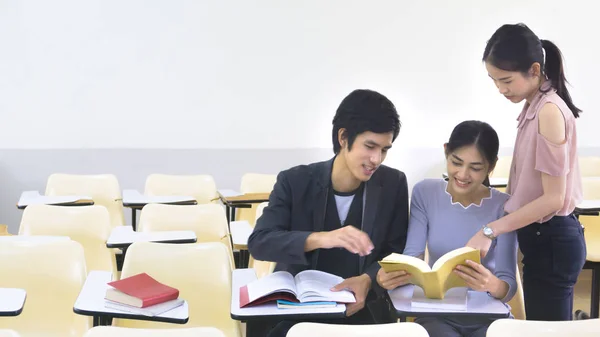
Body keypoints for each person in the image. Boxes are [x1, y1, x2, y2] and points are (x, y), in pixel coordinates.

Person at [247, 89, 409, 337]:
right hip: (298, 315)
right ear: (343, 137)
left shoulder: (393, 184)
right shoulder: (295, 181)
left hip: (365, 314)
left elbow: (396, 250)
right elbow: (260, 242)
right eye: (369, 146)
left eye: (385, 149)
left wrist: (367, 279)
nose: (376, 159)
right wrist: (321, 237)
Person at [466, 23, 586, 321]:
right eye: (494, 81)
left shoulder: (548, 110)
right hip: (543, 239)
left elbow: (553, 199)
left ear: (534, 70)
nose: (501, 89)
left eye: (506, 80)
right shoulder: (534, 106)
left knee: (548, 331)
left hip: (553, 240)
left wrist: (489, 230)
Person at [377, 120, 518, 337]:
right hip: (437, 315)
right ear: (446, 152)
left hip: (488, 316)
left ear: (491, 165)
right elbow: (412, 258)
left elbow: (508, 285)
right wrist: (391, 277)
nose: (462, 174)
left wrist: (490, 284)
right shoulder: (425, 193)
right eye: (456, 162)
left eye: (475, 168)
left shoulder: (504, 206)